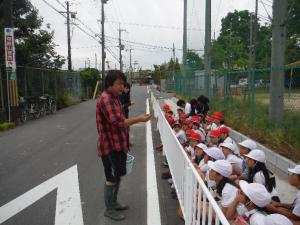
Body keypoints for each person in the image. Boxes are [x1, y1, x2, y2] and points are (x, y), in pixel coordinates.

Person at [96, 70, 151, 221]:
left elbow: (121, 120)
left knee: (118, 174)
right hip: (109, 146)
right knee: (111, 177)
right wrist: (139, 119)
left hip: (118, 144)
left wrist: (126, 142)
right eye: (119, 84)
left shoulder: (115, 97)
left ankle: (113, 203)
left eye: (123, 84)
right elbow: (118, 122)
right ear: (109, 84)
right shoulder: (106, 99)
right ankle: (109, 209)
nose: (122, 87)